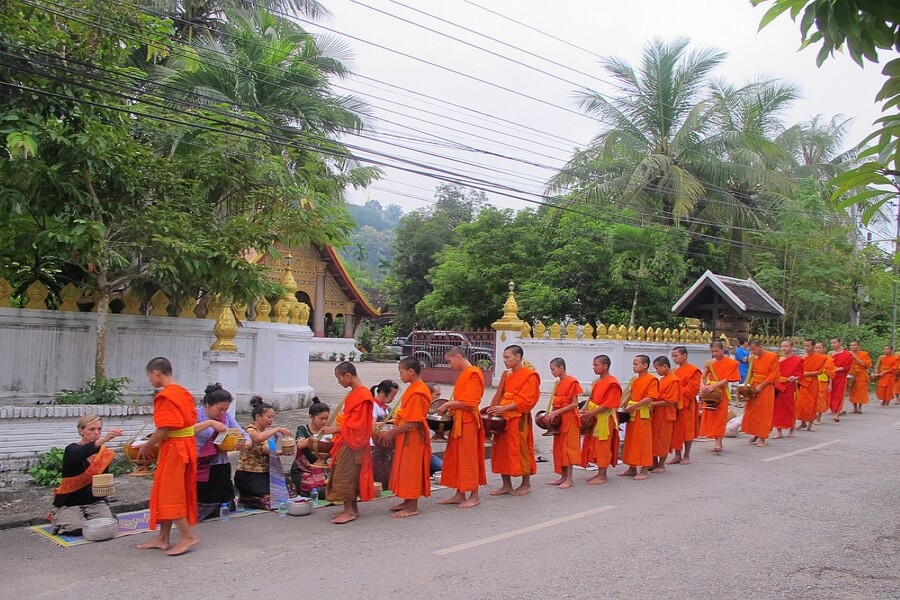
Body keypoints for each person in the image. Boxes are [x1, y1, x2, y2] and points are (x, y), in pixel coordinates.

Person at [137, 357, 198, 556]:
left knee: (170, 493)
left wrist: (147, 445)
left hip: (175, 448)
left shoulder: (166, 396)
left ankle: (187, 536)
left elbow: (164, 428)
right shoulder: (183, 392)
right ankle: (163, 538)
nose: (150, 381)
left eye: (149, 377)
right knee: (168, 489)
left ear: (156, 373)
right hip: (185, 445)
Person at [50, 415, 123, 535]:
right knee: (76, 529)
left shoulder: (103, 453)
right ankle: (59, 517)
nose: (96, 433)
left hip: (93, 502)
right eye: (91, 429)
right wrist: (104, 439)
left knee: (106, 526)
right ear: (81, 430)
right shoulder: (72, 449)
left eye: (99, 429)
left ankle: (100, 514)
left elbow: (100, 482)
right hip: (69, 503)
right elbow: (79, 454)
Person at [323, 362, 375, 524]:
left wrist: (335, 430)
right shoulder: (355, 393)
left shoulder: (363, 395)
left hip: (354, 441)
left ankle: (349, 511)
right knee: (348, 474)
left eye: (339, 378)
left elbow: (359, 425)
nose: (339, 382)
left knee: (344, 475)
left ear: (348, 375)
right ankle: (352, 509)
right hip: (348, 438)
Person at [486, 345, 540, 496]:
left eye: (507, 357)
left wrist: (505, 408)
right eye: (503, 357)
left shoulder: (530, 375)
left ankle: (526, 483)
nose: (504, 360)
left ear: (518, 357)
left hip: (518, 417)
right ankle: (506, 484)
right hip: (502, 417)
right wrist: (492, 411)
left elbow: (528, 400)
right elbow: (499, 394)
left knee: (521, 448)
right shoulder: (506, 374)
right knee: (501, 450)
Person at [436, 346, 486, 508]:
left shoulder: (474, 373)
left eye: (450, 361)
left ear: (458, 356)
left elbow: (471, 402)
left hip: (468, 422)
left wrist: (447, 404)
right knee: (457, 457)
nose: (450, 365)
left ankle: (474, 494)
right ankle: (459, 493)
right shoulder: (465, 374)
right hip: (459, 421)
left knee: (469, 458)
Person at [383, 357, 431, 518]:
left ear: (411, 372)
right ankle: (407, 500)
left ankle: (412, 506)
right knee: (404, 468)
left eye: (401, 372)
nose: (400, 376)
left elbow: (413, 422)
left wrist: (391, 432)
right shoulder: (413, 388)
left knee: (411, 469)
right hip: (405, 435)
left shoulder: (418, 391)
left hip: (413, 436)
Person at [194, 384, 249, 521]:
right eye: (219, 409)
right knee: (201, 494)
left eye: (226, 409)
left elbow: (243, 435)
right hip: (200, 464)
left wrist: (244, 444)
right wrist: (210, 423)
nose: (222, 413)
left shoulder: (226, 417)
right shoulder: (195, 415)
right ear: (207, 404)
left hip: (220, 463)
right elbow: (185, 431)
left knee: (223, 493)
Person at [233, 396, 292, 508]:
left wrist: (283, 451)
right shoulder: (249, 430)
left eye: (272, 417)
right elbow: (258, 438)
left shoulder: (268, 433)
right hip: (249, 475)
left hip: (264, 474)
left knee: (287, 490)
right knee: (269, 499)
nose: (271, 420)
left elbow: (268, 451)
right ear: (258, 417)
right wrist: (277, 429)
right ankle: (247, 498)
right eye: (269, 417)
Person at [580, 355, 622, 485]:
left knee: (603, 445)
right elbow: (590, 398)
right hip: (594, 416)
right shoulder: (597, 382)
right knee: (594, 444)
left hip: (604, 418)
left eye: (596, 365)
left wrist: (591, 413)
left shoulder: (612, 383)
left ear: (605, 366)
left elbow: (609, 404)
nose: (594, 368)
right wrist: (583, 410)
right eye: (593, 365)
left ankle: (602, 474)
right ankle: (599, 471)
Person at [544, 357, 583, 489]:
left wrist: (556, 412)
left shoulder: (572, 382)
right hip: (560, 420)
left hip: (570, 419)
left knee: (568, 448)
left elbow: (574, 404)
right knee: (560, 448)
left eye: (553, 369)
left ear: (561, 368)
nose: (552, 372)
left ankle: (569, 478)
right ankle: (562, 476)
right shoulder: (559, 383)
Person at [618, 355, 657, 480]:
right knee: (631, 441)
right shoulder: (635, 380)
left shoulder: (652, 380)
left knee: (643, 442)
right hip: (632, 414)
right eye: (633, 364)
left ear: (645, 365)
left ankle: (644, 470)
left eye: (636, 364)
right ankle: (632, 467)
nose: (633, 366)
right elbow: (630, 393)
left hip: (643, 414)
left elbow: (650, 397)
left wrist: (635, 406)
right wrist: (622, 404)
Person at [699, 340, 740, 453]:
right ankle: (716, 439)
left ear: (723, 350)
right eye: (713, 351)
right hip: (709, 392)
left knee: (720, 417)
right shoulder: (709, 362)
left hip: (720, 392)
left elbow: (728, 379)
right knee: (710, 416)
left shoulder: (731, 363)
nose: (715, 353)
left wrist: (713, 387)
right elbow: (702, 377)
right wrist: (703, 387)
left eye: (717, 351)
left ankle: (718, 442)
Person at [740, 339, 779, 447]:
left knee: (764, 412)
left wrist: (761, 386)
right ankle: (756, 433)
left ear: (761, 346)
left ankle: (762, 437)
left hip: (766, 387)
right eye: (750, 350)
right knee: (752, 411)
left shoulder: (772, 356)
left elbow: (774, 374)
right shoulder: (753, 359)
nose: (752, 352)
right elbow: (751, 373)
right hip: (754, 386)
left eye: (754, 349)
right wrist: (748, 386)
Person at [290, 398, 330, 498]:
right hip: (303, 471)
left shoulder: (328, 431)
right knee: (318, 491)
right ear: (311, 417)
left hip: (322, 470)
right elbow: (300, 444)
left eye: (326, 418)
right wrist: (316, 437)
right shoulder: (303, 430)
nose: (324, 421)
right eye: (321, 419)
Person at [669, 346, 701, 465]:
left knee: (687, 429)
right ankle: (677, 455)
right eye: (673, 356)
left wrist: (678, 393)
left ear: (685, 356)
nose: (674, 358)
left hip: (687, 404)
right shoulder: (674, 371)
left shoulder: (693, 370)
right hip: (675, 404)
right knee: (676, 429)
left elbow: (693, 388)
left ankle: (687, 455)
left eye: (676, 356)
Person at [650, 356, 678, 473]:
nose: (657, 371)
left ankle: (661, 464)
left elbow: (671, 400)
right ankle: (654, 462)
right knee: (654, 437)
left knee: (663, 439)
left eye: (657, 368)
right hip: (657, 414)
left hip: (666, 414)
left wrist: (653, 403)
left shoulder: (674, 380)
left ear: (665, 366)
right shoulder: (663, 379)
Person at [370, 380, 399, 490]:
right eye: (391, 395)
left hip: (385, 443)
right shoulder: (373, 405)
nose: (392, 399)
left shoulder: (386, 408)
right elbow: (371, 424)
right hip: (374, 443)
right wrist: (389, 422)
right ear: (382, 393)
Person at [772, 340, 803, 439]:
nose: (784, 348)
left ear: (792, 347)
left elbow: (800, 373)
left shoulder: (798, 360)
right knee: (777, 408)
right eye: (782, 346)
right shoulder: (779, 359)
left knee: (790, 408)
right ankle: (779, 431)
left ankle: (792, 429)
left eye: (786, 346)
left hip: (789, 386)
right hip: (778, 385)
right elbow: (775, 372)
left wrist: (795, 378)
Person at [797, 340, 827, 431]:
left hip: (813, 383)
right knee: (801, 403)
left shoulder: (820, 358)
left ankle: (810, 425)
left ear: (813, 346)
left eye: (808, 346)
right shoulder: (802, 357)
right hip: (802, 382)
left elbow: (820, 371)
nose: (806, 348)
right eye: (805, 346)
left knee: (812, 403)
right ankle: (802, 423)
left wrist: (807, 373)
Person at [829, 337, 853, 420]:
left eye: (834, 343)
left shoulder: (847, 354)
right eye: (831, 343)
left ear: (840, 343)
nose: (832, 345)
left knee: (839, 395)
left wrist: (835, 369)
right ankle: (833, 410)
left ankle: (837, 414)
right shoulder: (830, 354)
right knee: (830, 394)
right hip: (831, 376)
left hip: (841, 376)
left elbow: (847, 367)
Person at [424, 383, 445, 476]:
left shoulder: (436, 411)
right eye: (437, 395)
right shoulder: (420, 409)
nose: (439, 398)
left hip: (427, 451)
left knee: (444, 468)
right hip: (418, 451)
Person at [847, 341, 872, 414]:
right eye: (851, 345)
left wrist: (854, 356)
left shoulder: (864, 354)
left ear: (858, 346)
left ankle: (860, 407)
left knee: (861, 392)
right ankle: (854, 408)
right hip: (851, 374)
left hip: (861, 374)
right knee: (853, 391)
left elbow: (865, 365)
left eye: (854, 345)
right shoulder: (848, 354)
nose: (852, 347)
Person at [816, 341, 836, 423]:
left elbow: (831, 373)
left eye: (819, 348)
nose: (817, 350)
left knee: (821, 400)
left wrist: (830, 384)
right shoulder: (811, 358)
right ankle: (811, 417)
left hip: (823, 381)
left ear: (824, 349)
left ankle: (818, 418)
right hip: (812, 381)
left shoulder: (828, 359)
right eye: (816, 348)